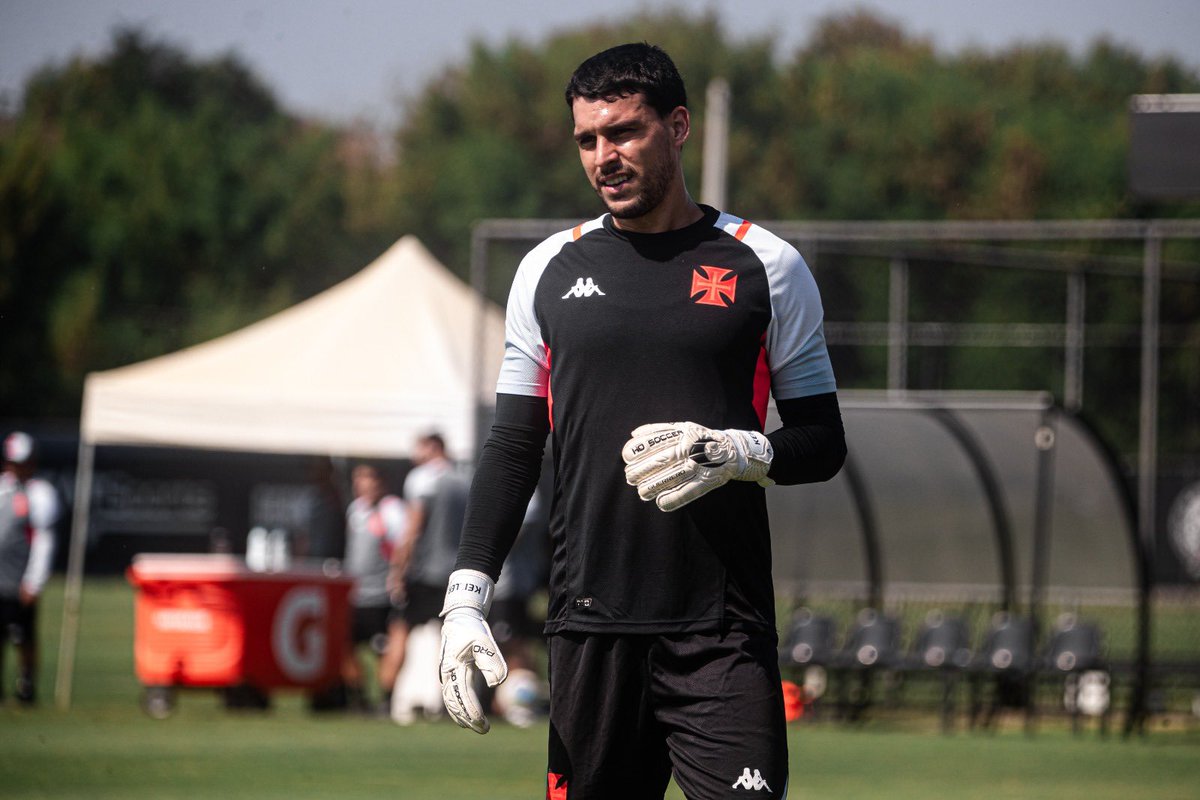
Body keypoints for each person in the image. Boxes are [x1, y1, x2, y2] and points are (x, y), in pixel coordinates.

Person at [437, 43, 846, 798]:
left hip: (722, 631)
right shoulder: (546, 270)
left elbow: (823, 442)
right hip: (588, 627)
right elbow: (514, 445)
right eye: (588, 140)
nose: (605, 157)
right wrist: (465, 597)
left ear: (679, 125)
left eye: (624, 132)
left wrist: (738, 451)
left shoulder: (768, 265)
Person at [378, 432, 470, 715]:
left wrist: (397, 569)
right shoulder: (465, 480)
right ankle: (452, 703)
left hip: (425, 571)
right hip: (457, 572)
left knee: (400, 632)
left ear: (433, 447)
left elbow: (412, 529)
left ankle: (385, 699)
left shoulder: (422, 479)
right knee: (453, 642)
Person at [340, 461, 407, 712]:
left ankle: (385, 700)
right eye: (358, 478)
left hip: (381, 595)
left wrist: (397, 577)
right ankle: (358, 697)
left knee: (383, 648)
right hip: (355, 594)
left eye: (367, 478)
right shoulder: (355, 511)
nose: (362, 484)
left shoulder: (392, 510)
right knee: (346, 646)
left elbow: (401, 548)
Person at [0, 432, 60, 706]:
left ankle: (26, 687)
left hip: (20, 578)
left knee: (23, 635)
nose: (17, 468)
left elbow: (43, 541)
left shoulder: (41, 493)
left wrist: (34, 580)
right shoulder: (2, 489)